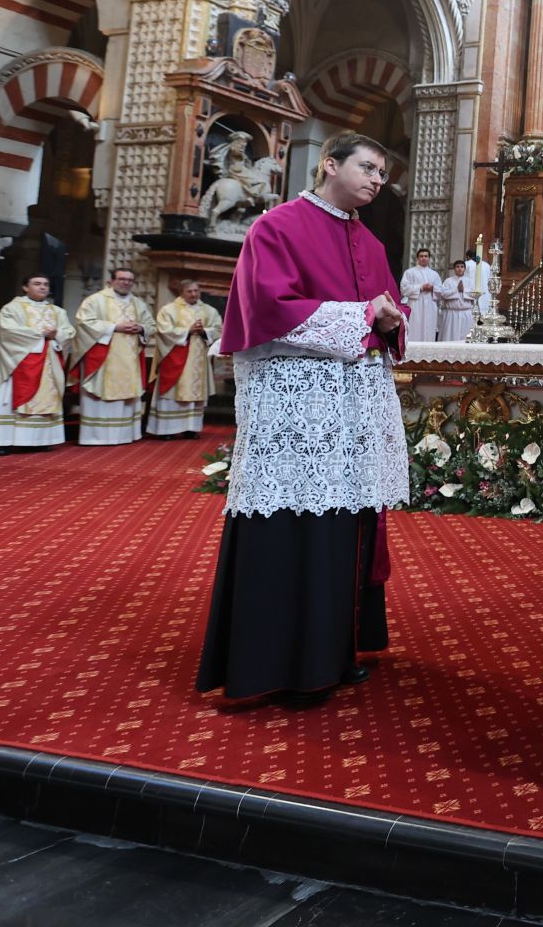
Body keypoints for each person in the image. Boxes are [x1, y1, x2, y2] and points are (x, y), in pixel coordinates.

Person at [196, 132, 408, 701]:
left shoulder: (371, 240)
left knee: (342, 526)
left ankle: (332, 650)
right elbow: (267, 307)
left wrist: (388, 318)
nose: (376, 180)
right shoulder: (278, 226)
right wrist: (365, 314)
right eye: (367, 166)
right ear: (330, 164)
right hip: (298, 404)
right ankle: (276, 663)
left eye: (383, 173)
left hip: (352, 404)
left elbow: (386, 314)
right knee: (295, 523)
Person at [0, 275, 74, 455]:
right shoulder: (12, 308)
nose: (42, 287)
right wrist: (40, 333)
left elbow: (68, 332)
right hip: (17, 362)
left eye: (45, 284)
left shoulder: (58, 312)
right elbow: (7, 331)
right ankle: (3, 442)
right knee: (11, 400)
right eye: (37, 284)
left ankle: (39, 440)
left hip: (48, 364)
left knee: (46, 398)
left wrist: (57, 334)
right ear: (25, 288)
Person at [72, 268, 154, 445]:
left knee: (126, 394)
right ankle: (96, 437)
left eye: (130, 280)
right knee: (100, 393)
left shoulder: (138, 303)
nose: (126, 283)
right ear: (111, 281)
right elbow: (84, 322)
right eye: (122, 279)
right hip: (104, 359)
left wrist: (141, 328)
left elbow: (151, 325)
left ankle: (124, 435)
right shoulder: (95, 300)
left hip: (129, 359)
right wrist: (114, 327)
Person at [145, 280, 221, 438]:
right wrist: (187, 331)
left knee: (195, 394)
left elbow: (218, 329)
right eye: (189, 291)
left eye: (196, 291)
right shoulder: (169, 310)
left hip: (198, 361)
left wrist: (204, 331)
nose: (194, 294)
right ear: (181, 292)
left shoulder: (209, 310)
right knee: (172, 393)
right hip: (175, 359)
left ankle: (190, 428)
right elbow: (163, 331)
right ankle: (166, 430)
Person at [398, 249, 441, 344]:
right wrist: (420, 287)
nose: (424, 258)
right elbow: (404, 289)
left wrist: (433, 288)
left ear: (429, 258)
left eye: (426, 256)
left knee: (429, 327)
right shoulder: (410, 272)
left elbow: (441, 291)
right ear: (417, 258)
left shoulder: (434, 274)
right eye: (421, 256)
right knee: (415, 327)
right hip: (415, 304)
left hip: (430, 304)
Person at [435, 259, 475, 342]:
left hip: (465, 313)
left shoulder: (470, 281)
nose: (460, 269)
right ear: (454, 269)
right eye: (457, 267)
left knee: (466, 336)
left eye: (462, 267)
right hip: (451, 313)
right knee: (450, 337)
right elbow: (442, 294)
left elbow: (475, 294)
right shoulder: (448, 281)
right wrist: (456, 290)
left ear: (465, 268)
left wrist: (464, 290)